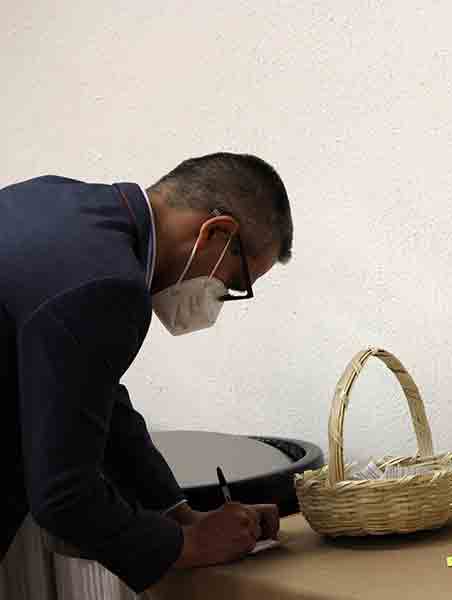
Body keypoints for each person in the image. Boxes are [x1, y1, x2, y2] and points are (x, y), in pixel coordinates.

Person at [0, 153, 293, 592]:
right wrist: (190, 546)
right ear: (215, 233)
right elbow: (63, 495)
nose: (219, 301)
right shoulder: (108, 285)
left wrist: (181, 513)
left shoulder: (56, 204)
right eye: (233, 285)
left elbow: (94, 399)